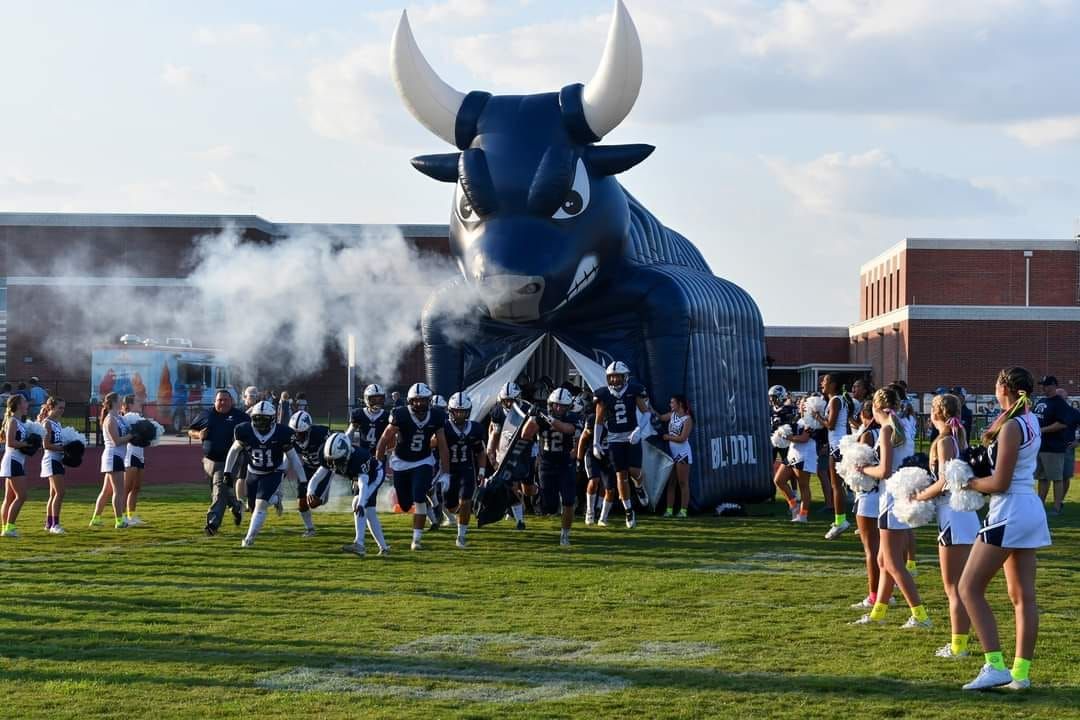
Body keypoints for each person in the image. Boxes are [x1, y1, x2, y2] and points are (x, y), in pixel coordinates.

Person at [958, 367, 1049, 691]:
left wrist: (966, 482)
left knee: (968, 587)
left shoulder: (1012, 426)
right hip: (1029, 510)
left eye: (996, 385)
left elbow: (999, 482)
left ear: (1004, 388)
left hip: (1009, 510)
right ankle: (1021, 675)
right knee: (1023, 596)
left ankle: (994, 665)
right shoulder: (1030, 421)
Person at [852, 387, 930, 629]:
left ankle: (920, 615)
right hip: (899, 495)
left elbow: (884, 470)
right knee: (883, 559)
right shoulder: (902, 425)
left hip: (892, 497)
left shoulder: (886, 429)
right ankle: (878, 613)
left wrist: (862, 469)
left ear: (876, 408)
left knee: (893, 563)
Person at [914, 393, 979, 659]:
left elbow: (944, 482)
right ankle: (959, 644)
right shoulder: (954, 437)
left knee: (954, 587)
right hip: (958, 515)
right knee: (959, 587)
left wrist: (918, 495)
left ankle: (958, 647)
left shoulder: (944, 441)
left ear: (936, 413)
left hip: (953, 514)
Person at [375, 383, 450, 551]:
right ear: (410, 401)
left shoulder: (436, 416)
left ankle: (416, 541)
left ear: (429, 400)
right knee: (405, 503)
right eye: (416, 401)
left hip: (423, 461)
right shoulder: (400, 414)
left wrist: (446, 473)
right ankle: (429, 520)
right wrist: (377, 465)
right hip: (401, 462)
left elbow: (443, 445)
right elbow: (384, 440)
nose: (419, 404)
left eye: (422, 400)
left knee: (419, 497)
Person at [224, 400, 306, 548]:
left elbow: (293, 458)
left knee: (260, 505)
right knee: (252, 506)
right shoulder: (244, 430)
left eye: (264, 419)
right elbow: (234, 450)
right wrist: (227, 472)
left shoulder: (282, 433)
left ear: (272, 419)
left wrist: (303, 481)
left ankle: (249, 539)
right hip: (252, 472)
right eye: (257, 418)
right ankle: (275, 500)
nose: (260, 422)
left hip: (272, 472)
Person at [592, 361, 652, 529]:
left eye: (617, 376)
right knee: (621, 475)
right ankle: (628, 510)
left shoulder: (634, 391)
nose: (615, 380)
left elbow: (646, 413)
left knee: (635, 472)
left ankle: (639, 486)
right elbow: (598, 421)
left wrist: (639, 430)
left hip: (632, 436)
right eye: (611, 377)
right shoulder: (603, 395)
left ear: (625, 377)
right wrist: (596, 443)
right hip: (614, 439)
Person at [308, 432, 389, 557]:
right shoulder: (330, 456)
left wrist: (361, 503)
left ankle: (360, 544)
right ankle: (383, 548)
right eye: (331, 461)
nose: (334, 465)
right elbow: (316, 477)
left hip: (374, 476)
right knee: (370, 512)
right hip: (358, 477)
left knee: (358, 504)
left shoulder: (359, 457)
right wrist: (310, 492)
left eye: (337, 460)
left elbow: (363, 484)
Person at [520, 388, 579, 546]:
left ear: (569, 407)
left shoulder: (572, 417)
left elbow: (568, 429)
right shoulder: (541, 417)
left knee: (568, 501)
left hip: (565, 463)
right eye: (555, 405)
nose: (558, 408)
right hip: (546, 464)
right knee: (549, 507)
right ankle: (539, 491)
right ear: (550, 404)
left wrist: (550, 419)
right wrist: (532, 418)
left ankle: (565, 535)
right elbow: (525, 435)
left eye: (562, 406)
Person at [189, 389, 248, 535]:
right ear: (215, 401)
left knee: (219, 490)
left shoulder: (240, 416)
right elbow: (190, 430)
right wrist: (198, 434)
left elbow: (251, 433)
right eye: (219, 400)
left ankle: (212, 524)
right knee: (222, 491)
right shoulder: (206, 414)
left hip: (229, 460)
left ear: (231, 401)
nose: (222, 403)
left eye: (225, 400)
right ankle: (236, 507)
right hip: (209, 461)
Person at [849, 402, 883, 609]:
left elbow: (858, 468)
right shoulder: (893, 432)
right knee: (885, 550)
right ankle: (886, 591)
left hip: (869, 494)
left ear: (865, 415)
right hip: (886, 495)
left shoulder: (868, 435)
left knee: (871, 550)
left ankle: (874, 595)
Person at [487, 382, 534, 530]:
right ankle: (519, 520)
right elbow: (495, 434)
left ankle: (537, 490)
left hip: (526, 452)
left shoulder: (528, 410)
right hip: (507, 452)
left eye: (512, 400)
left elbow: (537, 433)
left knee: (528, 489)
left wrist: (537, 450)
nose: (509, 403)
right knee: (511, 485)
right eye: (506, 400)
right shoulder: (497, 412)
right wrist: (491, 452)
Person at [443, 392, 486, 549]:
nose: (460, 414)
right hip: (448, 470)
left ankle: (461, 536)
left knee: (466, 501)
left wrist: (481, 471)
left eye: (463, 411)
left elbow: (480, 451)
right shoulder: (444, 427)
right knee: (450, 506)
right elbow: (432, 445)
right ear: (451, 410)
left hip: (466, 468)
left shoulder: (475, 428)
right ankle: (459, 516)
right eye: (457, 411)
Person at [90, 392, 132, 529]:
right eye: (120, 400)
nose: (122, 403)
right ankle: (119, 521)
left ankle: (96, 519)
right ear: (114, 402)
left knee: (107, 491)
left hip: (117, 456)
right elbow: (116, 441)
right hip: (113, 456)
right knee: (118, 491)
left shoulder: (119, 417)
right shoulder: (110, 420)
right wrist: (132, 436)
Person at [820, 374, 853, 540]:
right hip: (838, 445)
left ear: (833, 384)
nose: (822, 384)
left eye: (824, 381)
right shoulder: (839, 400)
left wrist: (817, 416)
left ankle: (841, 521)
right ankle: (840, 519)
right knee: (840, 485)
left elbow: (831, 425)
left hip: (838, 447)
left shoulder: (835, 400)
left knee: (836, 486)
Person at [773, 398, 816, 524]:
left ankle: (803, 515)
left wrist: (787, 437)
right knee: (779, 480)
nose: (801, 406)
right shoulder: (798, 419)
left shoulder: (812, 421)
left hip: (804, 455)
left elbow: (804, 439)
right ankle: (794, 506)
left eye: (805, 404)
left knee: (803, 486)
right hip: (792, 453)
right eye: (801, 403)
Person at [1032, 375, 1070, 515]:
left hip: (1054, 447)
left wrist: (1041, 430)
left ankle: (1057, 506)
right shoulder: (1041, 401)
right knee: (1042, 478)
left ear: (1054, 385)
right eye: (1042, 385)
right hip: (1040, 446)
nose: (1043, 387)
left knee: (1056, 478)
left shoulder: (1059, 403)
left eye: (1046, 385)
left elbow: (1062, 423)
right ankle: (1040, 505)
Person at [289, 409, 330, 537]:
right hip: (307, 467)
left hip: (324, 468)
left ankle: (323, 497)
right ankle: (310, 529)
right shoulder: (291, 438)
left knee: (315, 502)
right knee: (302, 501)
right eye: (295, 433)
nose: (297, 436)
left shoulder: (321, 433)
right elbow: (288, 457)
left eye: (300, 433)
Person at [657, 394, 693, 518]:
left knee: (683, 483)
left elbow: (683, 438)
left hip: (682, 454)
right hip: (671, 454)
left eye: (672, 402)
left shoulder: (687, 419)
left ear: (680, 404)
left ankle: (683, 510)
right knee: (671, 482)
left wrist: (668, 437)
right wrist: (647, 407)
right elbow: (660, 418)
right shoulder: (672, 415)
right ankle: (669, 510)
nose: (670, 405)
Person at [1, 394, 31, 537]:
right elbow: (10, 443)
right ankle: (10, 527)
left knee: (9, 497)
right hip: (13, 461)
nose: (27, 404)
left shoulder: (19, 421)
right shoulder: (13, 421)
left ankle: (6, 528)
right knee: (22, 496)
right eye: (25, 401)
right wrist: (27, 444)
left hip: (15, 461)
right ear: (18, 405)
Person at [578, 404, 613, 526]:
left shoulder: (618, 421)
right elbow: (583, 439)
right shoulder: (593, 419)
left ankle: (603, 517)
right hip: (593, 453)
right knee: (594, 480)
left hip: (609, 455)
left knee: (610, 488)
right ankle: (590, 511)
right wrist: (579, 458)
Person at [39, 396, 68, 534]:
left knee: (53, 494)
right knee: (60, 492)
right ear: (51, 407)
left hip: (57, 459)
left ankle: (49, 523)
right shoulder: (47, 423)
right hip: (51, 459)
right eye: (59, 408)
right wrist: (64, 448)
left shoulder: (57, 422)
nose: (62, 410)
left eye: (63, 407)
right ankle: (55, 525)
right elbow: (46, 445)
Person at [121, 395, 148, 527]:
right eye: (137, 401)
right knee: (127, 487)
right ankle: (121, 517)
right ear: (130, 404)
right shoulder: (126, 418)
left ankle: (131, 515)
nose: (140, 403)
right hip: (130, 454)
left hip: (140, 454)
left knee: (137, 487)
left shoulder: (140, 418)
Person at [348, 384, 391, 451]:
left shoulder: (387, 415)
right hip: (363, 453)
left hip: (380, 452)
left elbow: (392, 437)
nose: (377, 403)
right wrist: (348, 446)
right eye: (373, 400)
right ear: (366, 399)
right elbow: (350, 433)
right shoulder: (359, 414)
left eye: (380, 400)